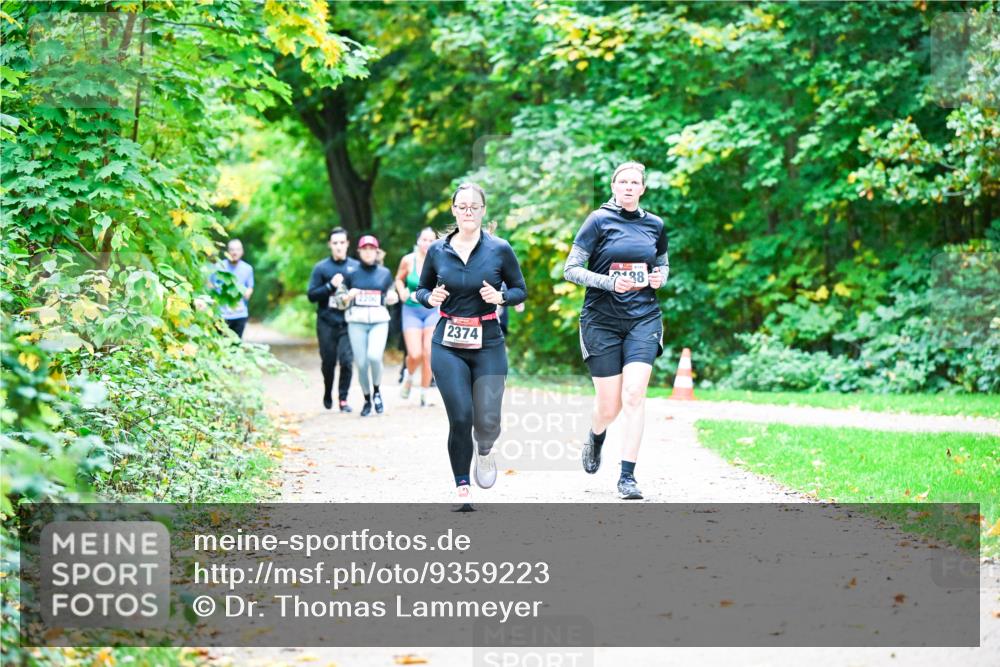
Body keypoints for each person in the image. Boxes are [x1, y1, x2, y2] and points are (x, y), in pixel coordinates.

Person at [415, 183, 527, 506]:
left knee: (488, 420)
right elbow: (422, 290)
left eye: (473, 206)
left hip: (488, 340)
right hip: (448, 342)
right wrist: (429, 297)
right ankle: (462, 485)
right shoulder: (438, 250)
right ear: (453, 210)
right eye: (461, 206)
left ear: (482, 211)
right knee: (461, 416)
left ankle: (486, 449)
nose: (467, 211)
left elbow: (520, 289)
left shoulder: (499, 249)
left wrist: (501, 297)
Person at [563, 161, 668, 500]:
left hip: (643, 318)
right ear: (613, 186)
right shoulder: (597, 221)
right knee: (609, 407)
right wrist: (609, 283)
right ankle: (596, 435)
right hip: (601, 321)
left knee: (634, 394)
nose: (627, 187)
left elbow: (663, 264)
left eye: (634, 182)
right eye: (622, 181)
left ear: (642, 189)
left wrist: (659, 278)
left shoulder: (655, 224)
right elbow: (571, 269)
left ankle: (627, 477)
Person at [338, 235, 398, 417]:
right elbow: (339, 299)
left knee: (374, 356)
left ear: (377, 251)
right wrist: (348, 296)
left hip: (379, 321)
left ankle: (377, 391)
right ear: (359, 252)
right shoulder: (351, 273)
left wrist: (392, 297)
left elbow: (392, 294)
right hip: (356, 322)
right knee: (362, 364)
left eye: (372, 249)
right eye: (365, 249)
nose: (368, 252)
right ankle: (366, 399)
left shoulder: (385, 273)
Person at [307, 227, 359, 412]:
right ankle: (328, 391)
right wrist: (330, 285)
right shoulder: (321, 268)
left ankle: (343, 399)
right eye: (335, 243)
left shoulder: (354, 267)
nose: (338, 246)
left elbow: (363, 289)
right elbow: (311, 295)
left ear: (347, 244)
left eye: (342, 243)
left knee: (346, 360)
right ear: (330, 245)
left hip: (348, 321)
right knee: (328, 362)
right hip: (326, 321)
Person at [395, 227, 441, 406]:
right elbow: (398, 279)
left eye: (431, 240)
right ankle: (409, 376)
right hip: (411, 310)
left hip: (431, 310)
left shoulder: (441, 260)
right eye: (424, 240)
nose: (427, 244)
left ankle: (424, 393)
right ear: (418, 241)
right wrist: (401, 292)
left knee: (429, 352)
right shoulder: (408, 260)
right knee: (415, 354)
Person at [216, 239, 254, 339]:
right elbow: (210, 285)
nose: (234, 252)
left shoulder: (248, 268)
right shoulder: (219, 266)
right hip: (222, 315)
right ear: (227, 252)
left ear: (242, 251)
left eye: (237, 249)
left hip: (240, 314)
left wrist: (248, 293)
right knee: (222, 346)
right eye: (232, 249)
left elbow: (250, 286)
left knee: (236, 345)